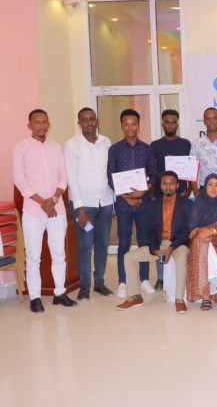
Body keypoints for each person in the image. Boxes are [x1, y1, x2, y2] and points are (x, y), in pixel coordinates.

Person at [13, 109, 76, 313]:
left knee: (59, 253)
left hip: (56, 208)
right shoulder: (20, 148)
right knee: (34, 256)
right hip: (33, 210)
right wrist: (43, 202)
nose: (41, 126)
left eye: (44, 122)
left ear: (49, 124)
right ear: (29, 125)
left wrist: (54, 199)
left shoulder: (55, 147)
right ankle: (35, 297)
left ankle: (59, 293)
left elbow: (63, 178)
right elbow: (20, 181)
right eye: (37, 122)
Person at [115, 172, 192, 313]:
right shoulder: (154, 204)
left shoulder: (186, 204)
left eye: (171, 183)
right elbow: (150, 231)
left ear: (177, 185)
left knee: (180, 258)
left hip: (179, 244)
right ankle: (135, 297)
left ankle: (179, 299)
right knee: (129, 257)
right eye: (164, 183)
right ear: (160, 186)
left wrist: (170, 249)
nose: (168, 186)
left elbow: (187, 231)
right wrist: (155, 249)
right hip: (160, 244)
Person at [63, 107, 114, 300]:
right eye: (84, 120)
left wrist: (115, 202)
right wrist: (79, 208)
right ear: (79, 123)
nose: (89, 123)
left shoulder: (106, 142)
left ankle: (99, 283)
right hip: (85, 206)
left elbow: (109, 173)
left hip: (106, 202)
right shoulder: (72, 145)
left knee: (102, 244)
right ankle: (85, 286)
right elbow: (71, 178)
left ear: (97, 120)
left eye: (92, 119)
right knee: (85, 245)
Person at [107, 108, 157, 299]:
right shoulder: (115, 150)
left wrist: (144, 191)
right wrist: (128, 198)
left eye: (133, 124)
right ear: (122, 126)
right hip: (124, 205)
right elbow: (111, 177)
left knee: (144, 243)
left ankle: (144, 279)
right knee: (124, 243)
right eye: (126, 124)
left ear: (138, 125)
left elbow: (153, 174)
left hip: (144, 203)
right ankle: (123, 281)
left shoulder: (147, 148)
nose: (130, 127)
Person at [150, 109, 191, 290]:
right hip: (162, 196)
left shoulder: (185, 144)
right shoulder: (155, 145)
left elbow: (190, 169)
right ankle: (160, 277)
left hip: (181, 196)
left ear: (178, 123)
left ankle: (179, 276)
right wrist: (167, 177)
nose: (170, 125)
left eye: (173, 122)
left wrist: (188, 188)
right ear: (162, 124)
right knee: (160, 235)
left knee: (177, 233)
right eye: (167, 122)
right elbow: (152, 170)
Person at [186, 174, 217, 310]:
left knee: (202, 241)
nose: (213, 188)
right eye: (210, 184)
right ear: (205, 186)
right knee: (201, 241)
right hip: (201, 242)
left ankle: (206, 298)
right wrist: (203, 231)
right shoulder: (198, 203)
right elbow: (192, 229)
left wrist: (212, 231)